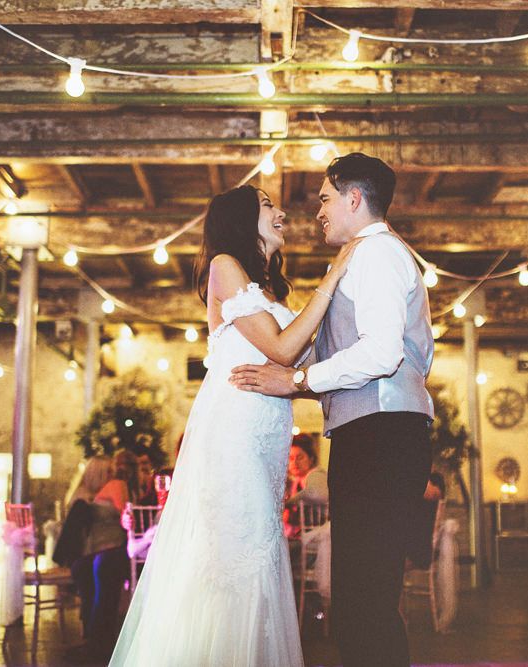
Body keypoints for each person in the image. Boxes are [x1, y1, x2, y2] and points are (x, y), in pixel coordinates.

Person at [109, 184, 359, 667]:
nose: (282, 212)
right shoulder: (224, 265)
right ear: (242, 219)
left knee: (259, 545)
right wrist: (333, 276)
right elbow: (283, 350)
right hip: (234, 429)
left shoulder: (268, 290)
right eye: (269, 206)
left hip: (265, 432)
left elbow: (296, 368)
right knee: (234, 552)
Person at [230, 153, 434, 667]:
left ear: (354, 198)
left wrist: (297, 378)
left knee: (365, 602)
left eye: (324, 199)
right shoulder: (363, 257)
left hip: (382, 436)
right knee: (361, 600)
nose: (318, 211)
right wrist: (294, 385)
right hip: (372, 434)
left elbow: (382, 354)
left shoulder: (378, 254)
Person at [66, 449, 139, 663]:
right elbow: (126, 513)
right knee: (103, 569)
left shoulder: (99, 490)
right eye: (112, 469)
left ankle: (96, 641)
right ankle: (100, 643)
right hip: (108, 549)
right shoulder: (118, 486)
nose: (116, 471)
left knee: (99, 569)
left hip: (95, 552)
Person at [283, 433, 328, 538]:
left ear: (311, 458)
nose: (294, 463)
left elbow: (314, 492)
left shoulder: (316, 474)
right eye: (290, 458)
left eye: (300, 457)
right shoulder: (296, 482)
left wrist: (288, 503)